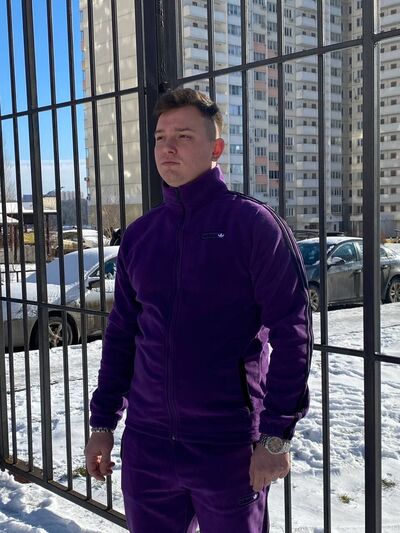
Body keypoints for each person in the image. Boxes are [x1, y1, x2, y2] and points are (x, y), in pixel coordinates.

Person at [85, 88, 312, 533]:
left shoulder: (253, 226)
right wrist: (103, 422)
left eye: (184, 136)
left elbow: (294, 333)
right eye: (160, 137)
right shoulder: (140, 236)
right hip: (148, 448)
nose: (167, 147)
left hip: (227, 447)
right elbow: (122, 335)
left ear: (216, 148)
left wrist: (276, 435)